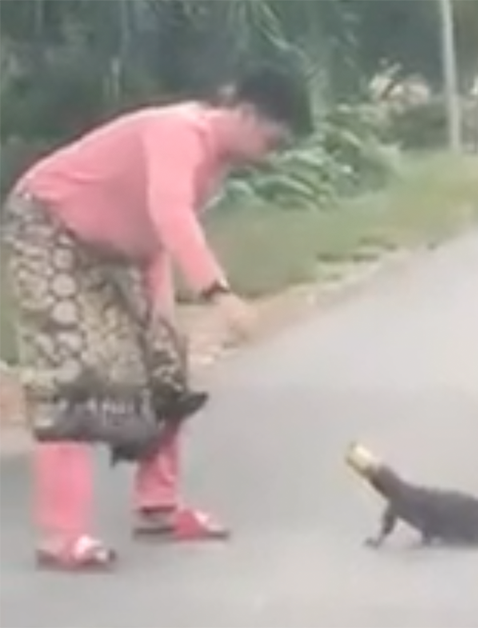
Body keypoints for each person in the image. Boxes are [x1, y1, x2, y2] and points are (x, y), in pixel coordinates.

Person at [0, 66, 313, 571]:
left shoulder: (217, 167)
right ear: (248, 114)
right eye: (272, 141)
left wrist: (161, 314)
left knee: (166, 362)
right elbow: (171, 213)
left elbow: (154, 235)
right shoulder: (179, 132)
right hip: (47, 224)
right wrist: (220, 295)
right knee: (76, 372)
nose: (271, 155)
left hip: (119, 251)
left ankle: (159, 509)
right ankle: (62, 537)